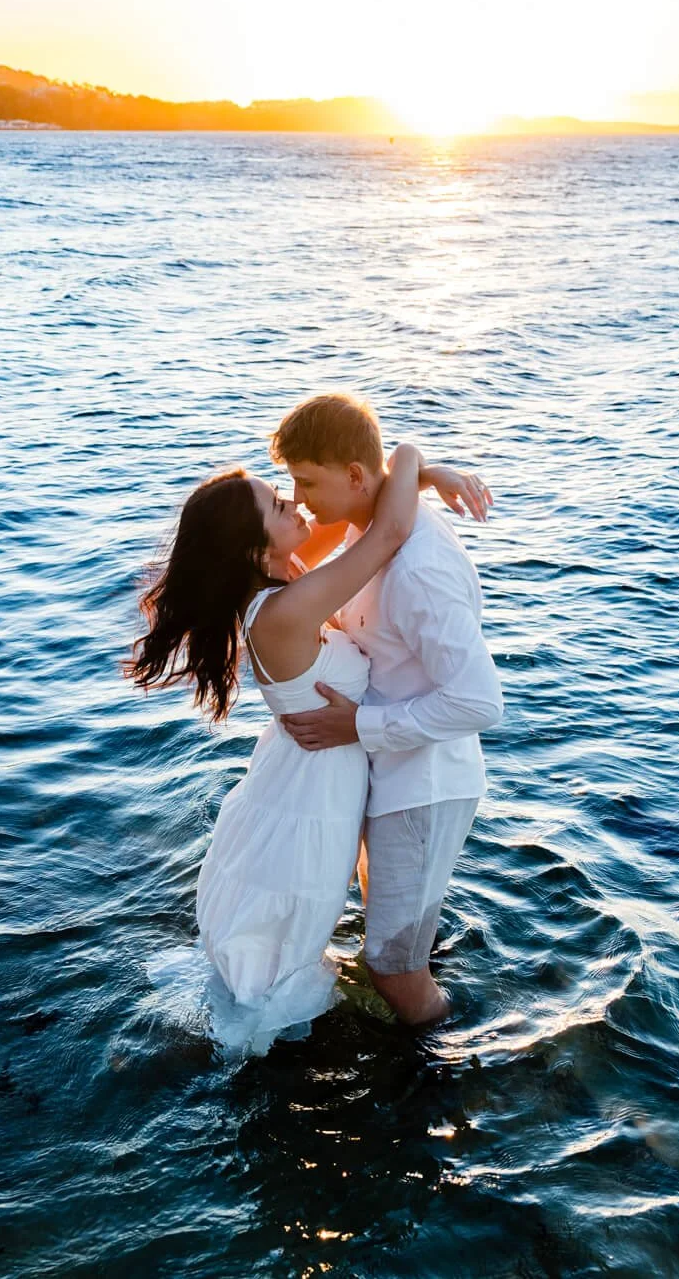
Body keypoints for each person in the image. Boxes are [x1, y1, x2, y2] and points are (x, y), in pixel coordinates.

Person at [128, 436, 492, 1056]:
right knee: (284, 952)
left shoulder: (281, 581)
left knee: (325, 938)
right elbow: (389, 532)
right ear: (255, 545)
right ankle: (446, 1057)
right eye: (278, 504)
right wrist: (412, 459)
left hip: (305, 773)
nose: (297, 505)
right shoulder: (285, 612)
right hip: (312, 792)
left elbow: (358, 517)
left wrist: (413, 479)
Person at [270, 394, 502, 1026]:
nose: (300, 496)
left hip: (421, 786)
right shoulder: (364, 528)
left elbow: (480, 700)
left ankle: (449, 1071)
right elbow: (396, 463)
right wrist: (423, 469)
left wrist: (358, 725)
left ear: (352, 476)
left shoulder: (417, 570)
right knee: (392, 940)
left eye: (306, 481)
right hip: (384, 775)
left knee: (392, 966)